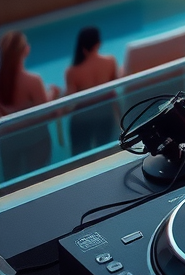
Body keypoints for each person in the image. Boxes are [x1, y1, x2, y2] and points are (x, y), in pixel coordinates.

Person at [0, 31, 59, 178]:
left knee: (12, 182)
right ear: (25, 50)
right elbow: (45, 113)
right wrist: (53, 95)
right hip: (36, 139)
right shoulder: (32, 81)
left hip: (8, 142)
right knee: (37, 180)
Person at [65, 27, 119, 155]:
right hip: (105, 113)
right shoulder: (110, 62)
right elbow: (115, 85)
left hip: (82, 118)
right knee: (106, 153)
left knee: (81, 157)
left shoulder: (72, 71)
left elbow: (70, 103)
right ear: (98, 43)